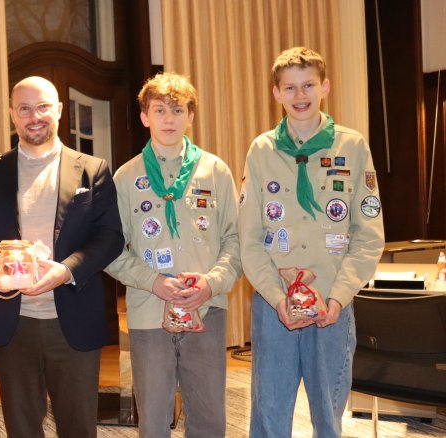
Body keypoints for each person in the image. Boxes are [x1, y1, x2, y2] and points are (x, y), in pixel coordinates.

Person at [0, 76, 124, 438]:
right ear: (12, 115)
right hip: (13, 325)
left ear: (59, 111)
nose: (35, 117)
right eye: (24, 108)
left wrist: (66, 270)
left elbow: (111, 237)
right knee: (21, 429)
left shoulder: (92, 169)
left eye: (43, 107)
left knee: (78, 428)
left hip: (74, 323)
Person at [238, 47, 385, 437]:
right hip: (275, 307)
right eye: (290, 87)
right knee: (268, 414)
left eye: (308, 85)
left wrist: (337, 297)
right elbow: (249, 240)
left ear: (325, 87)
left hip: (332, 306)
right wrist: (276, 295)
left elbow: (369, 236)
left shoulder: (352, 147)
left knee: (328, 416)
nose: (300, 95)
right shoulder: (261, 150)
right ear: (276, 93)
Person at [104, 72, 241, 437]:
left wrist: (212, 284)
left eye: (177, 110)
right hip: (150, 313)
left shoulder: (216, 171)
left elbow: (236, 239)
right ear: (144, 116)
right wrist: (154, 282)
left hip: (206, 310)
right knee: (152, 418)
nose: (168, 118)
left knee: (209, 415)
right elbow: (110, 249)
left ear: (191, 117)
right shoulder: (125, 177)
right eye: (159, 110)